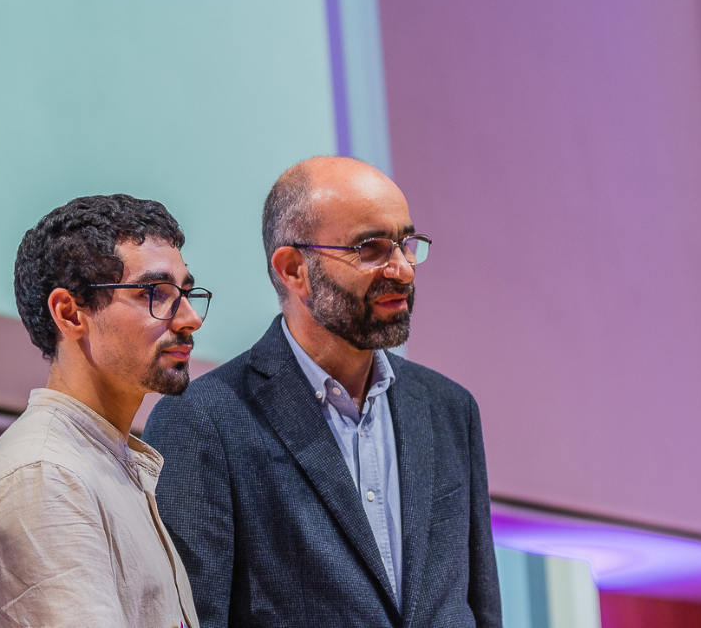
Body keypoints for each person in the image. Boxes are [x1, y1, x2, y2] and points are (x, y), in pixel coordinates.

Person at [143, 156, 502, 627]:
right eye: (371, 248)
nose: (404, 269)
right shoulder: (202, 420)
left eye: (406, 243)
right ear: (294, 269)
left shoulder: (450, 409)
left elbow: (480, 608)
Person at [0, 194, 207, 628]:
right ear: (70, 314)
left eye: (185, 293)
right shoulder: (45, 474)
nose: (189, 319)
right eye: (155, 293)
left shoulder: (106, 462)